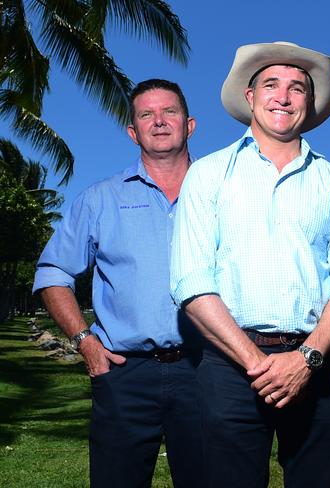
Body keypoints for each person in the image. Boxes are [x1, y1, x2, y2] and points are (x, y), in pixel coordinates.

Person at [169, 41, 330, 488]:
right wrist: (255, 360)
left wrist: (306, 358)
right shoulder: (207, 175)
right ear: (250, 96)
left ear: (309, 103)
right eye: (271, 85)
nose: (283, 96)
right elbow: (191, 281)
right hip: (229, 367)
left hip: (316, 364)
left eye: (297, 88)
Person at [33, 79, 203, 487]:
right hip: (124, 373)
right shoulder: (100, 199)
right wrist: (85, 342)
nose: (159, 122)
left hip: (207, 371)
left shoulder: (222, 194)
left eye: (170, 112)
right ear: (133, 131)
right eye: (146, 114)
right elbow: (52, 273)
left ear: (190, 124)